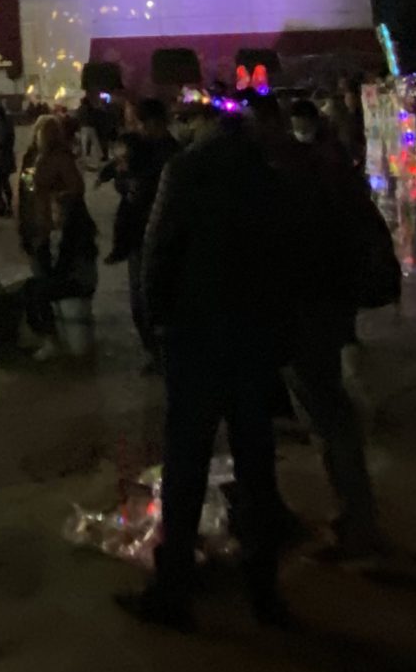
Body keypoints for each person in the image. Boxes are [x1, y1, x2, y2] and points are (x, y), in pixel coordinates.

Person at [119, 103, 292, 632]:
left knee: (186, 464)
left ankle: (173, 590)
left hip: (196, 335)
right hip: (254, 336)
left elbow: (158, 254)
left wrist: (157, 325)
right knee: (257, 465)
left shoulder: (187, 170)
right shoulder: (268, 173)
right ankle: (265, 590)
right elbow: (287, 252)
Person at [257, 97, 386, 558]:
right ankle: (356, 514)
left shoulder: (287, 179)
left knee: (326, 413)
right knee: (328, 408)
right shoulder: (322, 167)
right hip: (331, 304)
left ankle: (359, 524)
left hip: (306, 310)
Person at [111, 97, 175, 369]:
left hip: (160, 234)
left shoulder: (172, 153)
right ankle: (155, 351)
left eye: (138, 121)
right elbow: (122, 180)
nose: (135, 127)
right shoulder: (139, 147)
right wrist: (126, 184)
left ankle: (164, 353)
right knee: (139, 299)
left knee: (153, 298)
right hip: (138, 232)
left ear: (153, 122)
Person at [18, 113, 86, 273]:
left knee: (49, 265)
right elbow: (27, 187)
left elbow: (76, 188)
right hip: (40, 220)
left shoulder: (59, 157)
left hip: (53, 221)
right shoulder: (33, 157)